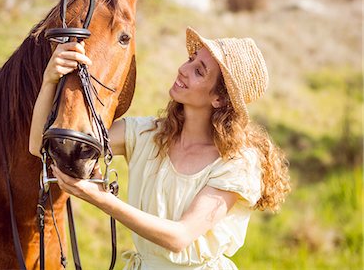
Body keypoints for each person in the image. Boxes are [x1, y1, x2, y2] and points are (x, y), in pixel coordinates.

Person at [29, 27, 291, 270]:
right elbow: (39, 146)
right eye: (190, 60)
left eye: (199, 71)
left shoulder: (237, 163)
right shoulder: (148, 134)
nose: (183, 69)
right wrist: (50, 79)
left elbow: (180, 237)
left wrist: (102, 199)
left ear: (219, 98)